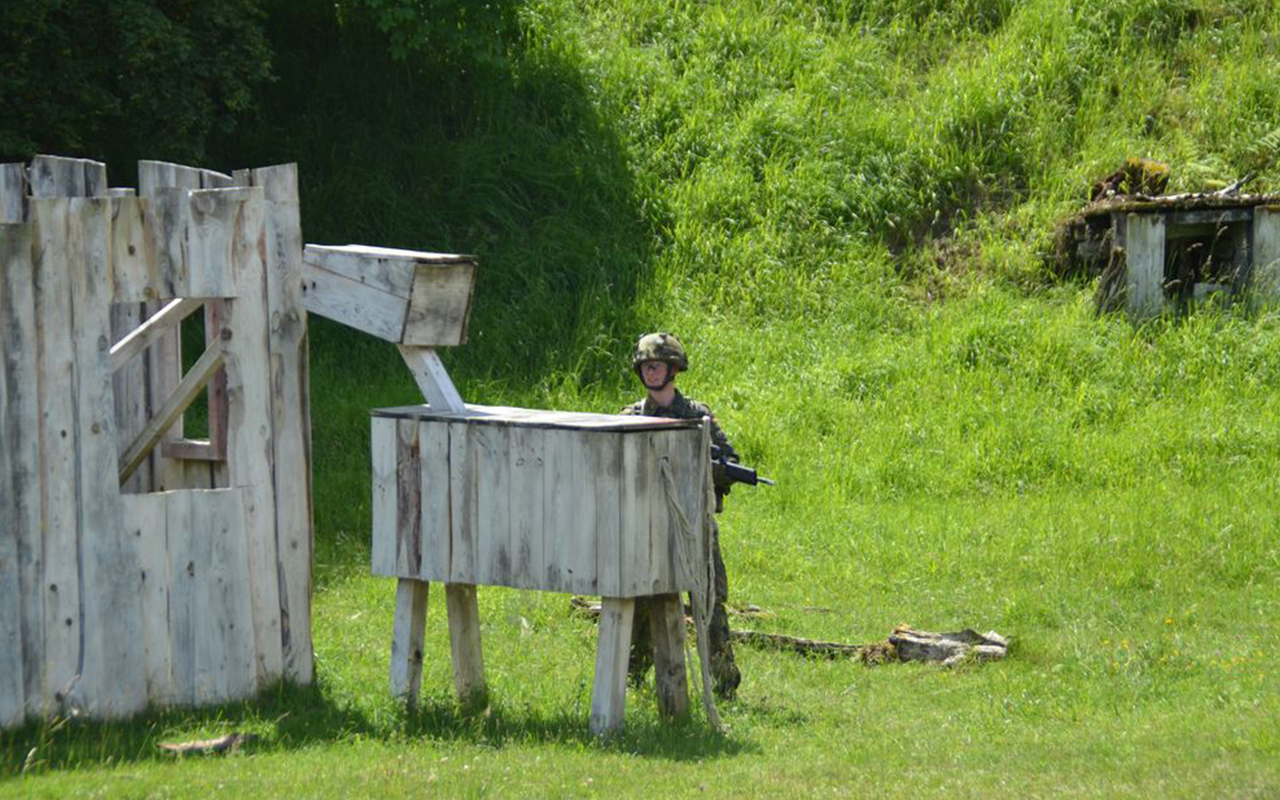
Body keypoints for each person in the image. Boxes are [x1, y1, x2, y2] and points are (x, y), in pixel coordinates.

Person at [620, 332, 742, 700]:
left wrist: (713, 470)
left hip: (693, 524)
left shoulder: (698, 416)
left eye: (657, 366)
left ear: (674, 369)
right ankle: (631, 677)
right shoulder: (631, 417)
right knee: (640, 601)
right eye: (646, 366)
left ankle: (723, 683)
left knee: (709, 600)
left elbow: (729, 460)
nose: (651, 372)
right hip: (647, 525)